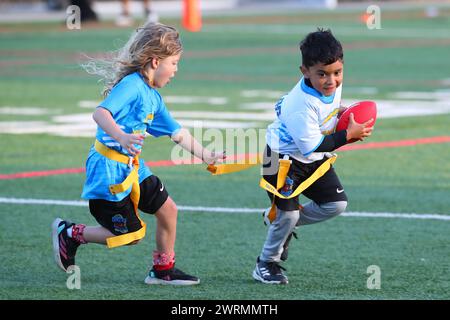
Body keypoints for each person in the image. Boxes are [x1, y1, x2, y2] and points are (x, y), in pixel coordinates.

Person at [52, 23, 225, 286]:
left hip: (133, 167)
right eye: (174, 63)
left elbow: (177, 133)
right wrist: (121, 136)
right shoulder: (132, 86)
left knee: (168, 210)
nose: (176, 70)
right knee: (131, 235)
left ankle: (163, 270)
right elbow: (100, 113)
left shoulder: (153, 97)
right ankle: (71, 233)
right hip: (108, 168)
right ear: (156, 61)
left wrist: (206, 155)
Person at [252, 28, 373, 285]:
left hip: (310, 159)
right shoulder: (300, 105)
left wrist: (340, 112)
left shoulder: (329, 84)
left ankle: (277, 220)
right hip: (280, 159)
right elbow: (312, 147)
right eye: (322, 74)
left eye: (337, 73)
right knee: (289, 215)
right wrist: (348, 135)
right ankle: (266, 263)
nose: (331, 81)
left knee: (336, 205)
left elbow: (322, 115)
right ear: (304, 71)